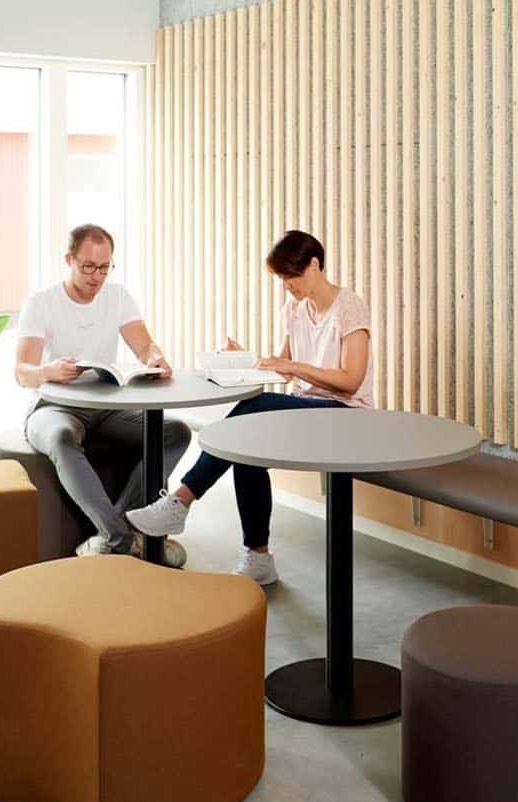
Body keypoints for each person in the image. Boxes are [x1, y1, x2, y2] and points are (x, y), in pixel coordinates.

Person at [127, 230, 373, 584]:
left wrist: (293, 367)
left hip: (348, 415)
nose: (288, 285)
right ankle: (258, 558)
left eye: (292, 276)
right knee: (245, 442)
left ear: (315, 265)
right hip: (309, 409)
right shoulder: (294, 309)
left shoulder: (349, 307)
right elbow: (284, 367)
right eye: (282, 278)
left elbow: (351, 379)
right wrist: (245, 359)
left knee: (250, 414)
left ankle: (181, 500)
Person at [15, 224, 191, 565]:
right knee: (62, 438)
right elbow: (22, 372)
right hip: (55, 405)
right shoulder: (41, 303)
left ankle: (118, 528)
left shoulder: (118, 296)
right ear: (69, 260)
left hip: (108, 406)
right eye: (88, 267)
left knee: (175, 431)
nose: (97, 277)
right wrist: (49, 372)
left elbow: (143, 344)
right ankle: (123, 539)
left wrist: (154, 357)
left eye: (105, 267)